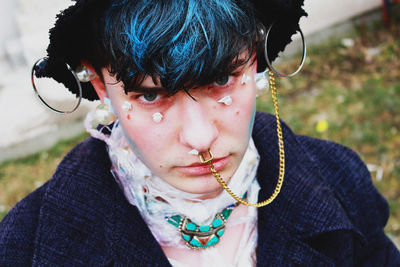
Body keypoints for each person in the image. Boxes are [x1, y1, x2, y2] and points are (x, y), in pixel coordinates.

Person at [1, 0, 399, 266]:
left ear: (255, 59)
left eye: (223, 79)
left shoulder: (340, 180)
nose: (199, 138)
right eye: (151, 94)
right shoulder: (23, 246)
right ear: (102, 85)